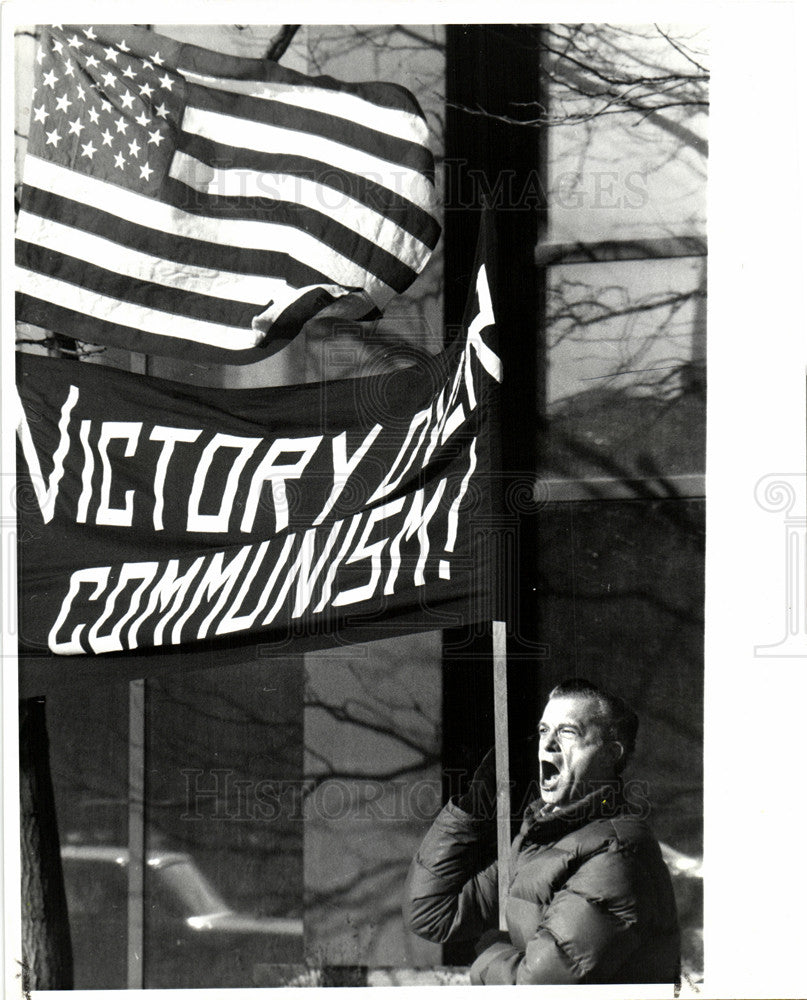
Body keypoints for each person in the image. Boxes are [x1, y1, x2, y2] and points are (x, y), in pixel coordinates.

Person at [403, 678, 680, 985]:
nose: (547, 744)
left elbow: (536, 987)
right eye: (544, 731)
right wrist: (470, 808)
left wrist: (489, 951)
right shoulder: (545, 843)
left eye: (568, 732)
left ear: (609, 754)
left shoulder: (615, 853)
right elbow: (432, 914)